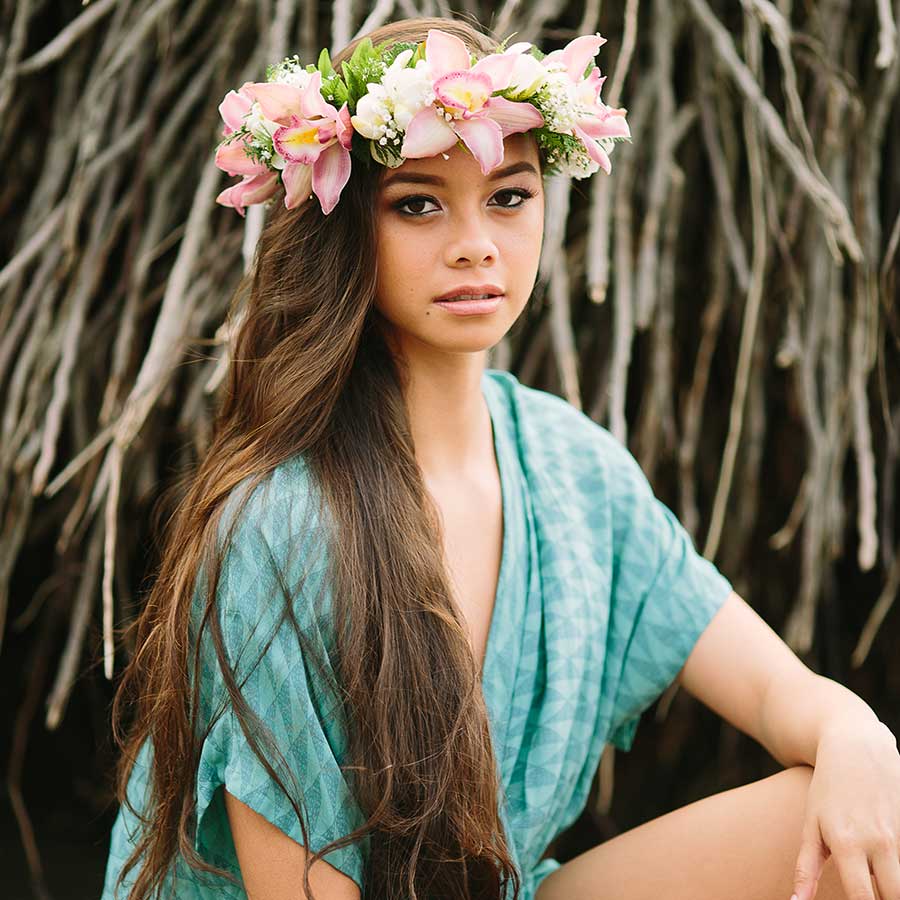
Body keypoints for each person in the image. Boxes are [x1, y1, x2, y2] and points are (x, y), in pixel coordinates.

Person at [100, 14, 900, 900]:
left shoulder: (572, 471)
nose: (477, 242)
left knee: (851, 822)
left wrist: (857, 730)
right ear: (347, 227)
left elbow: (780, 697)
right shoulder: (281, 521)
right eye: (418, 204)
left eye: (510, 197)